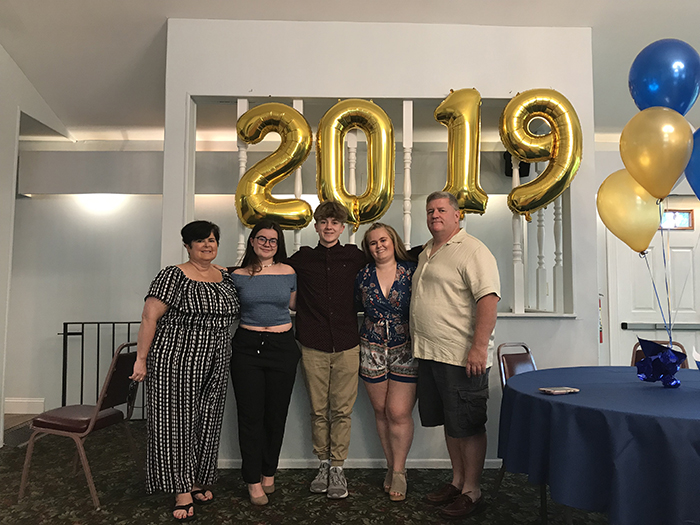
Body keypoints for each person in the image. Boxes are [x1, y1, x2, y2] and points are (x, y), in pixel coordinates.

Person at [130, 220, 240, 522]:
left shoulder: (225, 277)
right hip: (176, 358)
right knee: (175, 424)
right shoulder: (173, 275)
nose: (207, 245)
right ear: (188, 245)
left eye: (212, 240)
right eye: (200, 240)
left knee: (208, 420)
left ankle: (197, 479)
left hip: (217, 358)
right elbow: (149, 317)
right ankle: (180, 490)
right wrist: (141, 359)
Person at [409, 191, 500, 519]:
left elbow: (488, 299)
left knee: (469, 424)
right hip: (431, 354)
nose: (435, 215)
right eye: (430, 210)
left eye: (441, 210)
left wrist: (478, 347)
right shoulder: (427, 251)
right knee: (452, 423)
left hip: (462, 357)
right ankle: (457, 481)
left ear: (457, 215)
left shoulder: (473, 250)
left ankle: (472, 491)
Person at [287, 201, 367, 499]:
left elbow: (389, 258)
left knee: (342, 411)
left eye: (334, 222)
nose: (329, 227)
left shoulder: (355, 256)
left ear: (342, 228)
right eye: (323, 222)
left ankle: (337, 468)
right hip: (313, 343)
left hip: (347, 343)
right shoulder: (302, 258)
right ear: (316, 226)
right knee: (319, 410)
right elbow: (271, 267)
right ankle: (322, 464)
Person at [227, 220, 299, 506]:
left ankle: (269, 471)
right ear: (252, 241)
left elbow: (294, 306)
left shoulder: (289, 272)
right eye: (262, 238)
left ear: (278, 244)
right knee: (250, 416)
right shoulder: (237, 275)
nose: (267, 244)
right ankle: (252, 480)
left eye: (273, 240)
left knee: (276, 414)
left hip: (283, 347)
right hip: (247, 348)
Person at [354, 222, 418, 502]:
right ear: (368, 248)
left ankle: (400, 471)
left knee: (398, 412)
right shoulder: (362, 275)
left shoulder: (411, 271)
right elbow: (355, 305)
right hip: (371, 347)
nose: (379, 246)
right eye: (373, 243)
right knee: (381, 411)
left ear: (394, 242)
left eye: (383, 240)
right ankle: (391, 467)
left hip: (405, 347)